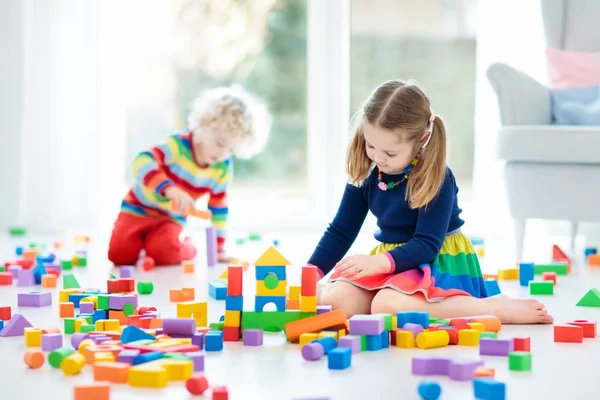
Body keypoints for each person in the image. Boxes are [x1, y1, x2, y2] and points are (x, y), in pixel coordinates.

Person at [307, 80, 553, 324]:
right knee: (337, 300)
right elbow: (341, 231)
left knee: (386, 305)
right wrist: (311, 273)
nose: (377, 158)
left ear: (422, 140)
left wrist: (378, 262)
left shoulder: (437, 177)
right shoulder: (369, 172)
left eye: (390, 153)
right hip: (392, 260)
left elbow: (426, 244)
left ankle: (492, 307)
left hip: (435, 260)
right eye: (370, 145)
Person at [108, 85, 271, 266]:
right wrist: (169, 189)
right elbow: (141, 162)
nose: (223, 154)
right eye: (219, 143)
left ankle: (189, 247)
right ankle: (142, 244)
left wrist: (217, 249)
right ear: (202, 125)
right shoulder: (178, 146)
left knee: (165, 252)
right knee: (119, 255)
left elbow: (219, 210)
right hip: (137, 208)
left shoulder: (222, 168)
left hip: (170, 218)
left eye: (231, 149)